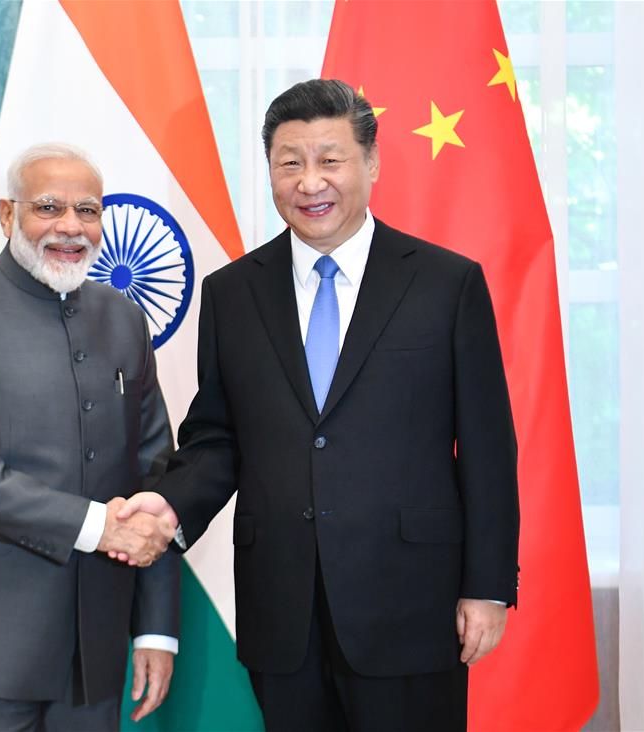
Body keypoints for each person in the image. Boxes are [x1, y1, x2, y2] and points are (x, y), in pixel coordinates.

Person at [118, 79, 520, 731]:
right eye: (290, 163)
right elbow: (219, 437)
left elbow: (487, 447)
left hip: (412, 604)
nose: (310, 183)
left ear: (372, 163)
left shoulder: (447, 284)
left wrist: (489, 584)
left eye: (330, 160)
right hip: (284, 611)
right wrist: (167, 504)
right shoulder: (232, 294)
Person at [0, 142, 180, 731]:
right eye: (49, 207)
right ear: (8, 216)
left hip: (98, 641)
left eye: (88, 210)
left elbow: (155, 473)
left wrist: (156, 628)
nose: (70, 227)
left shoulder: (123, 318)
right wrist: (97, 525)